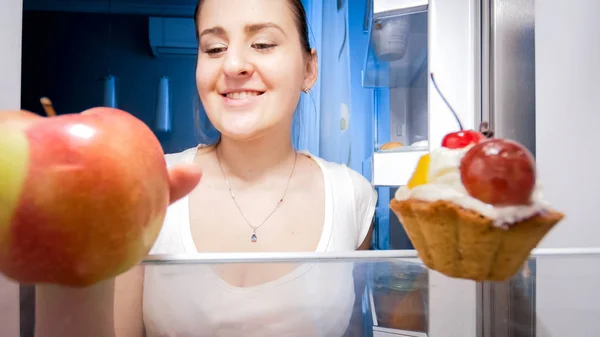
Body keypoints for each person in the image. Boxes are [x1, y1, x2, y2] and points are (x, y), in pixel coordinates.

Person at [34, 0, 377, 336]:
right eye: (214, 49)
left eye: (262, 44)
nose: (234, 64)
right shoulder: (149, 188)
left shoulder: (352, 195)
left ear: (308, 68)